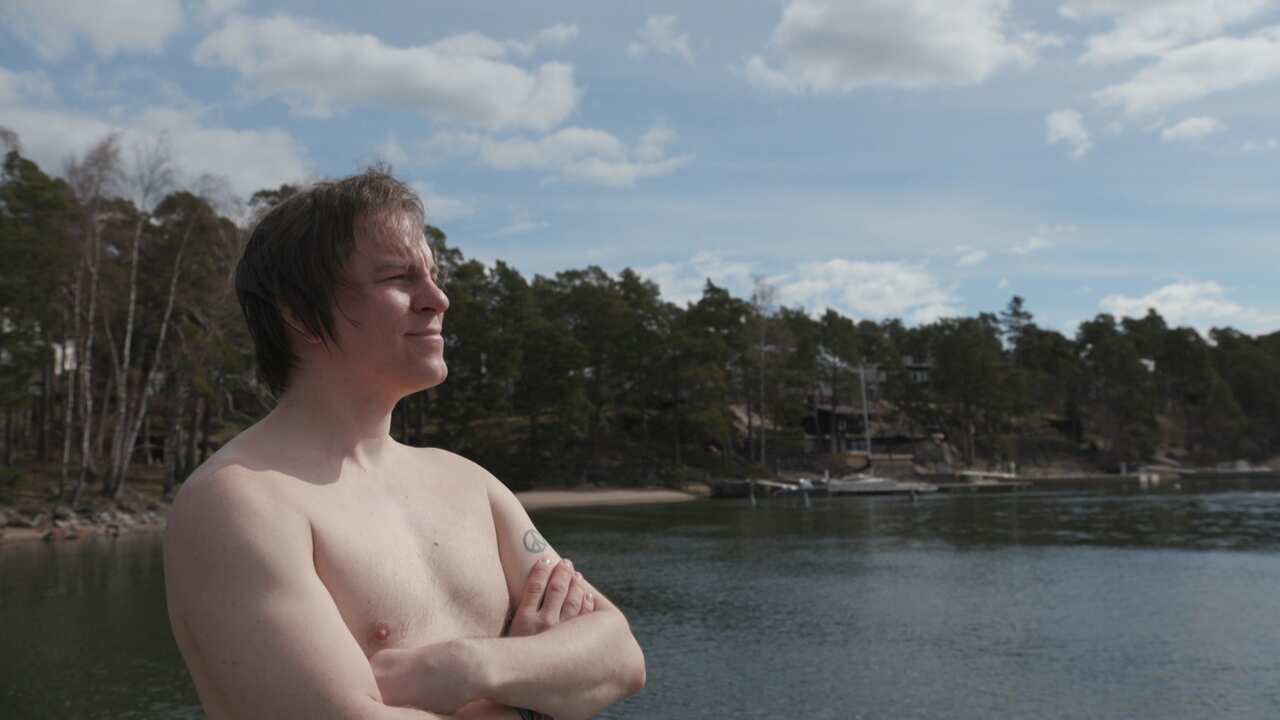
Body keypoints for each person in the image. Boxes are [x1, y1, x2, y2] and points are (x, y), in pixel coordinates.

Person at [162, 169, 646, 719]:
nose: (437, 299)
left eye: (433, 276)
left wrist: (474, 667)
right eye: (399, 278)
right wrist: (541, 685)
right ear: (298, 313)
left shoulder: (469, 483)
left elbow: (621, 655)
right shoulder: (238, 502)